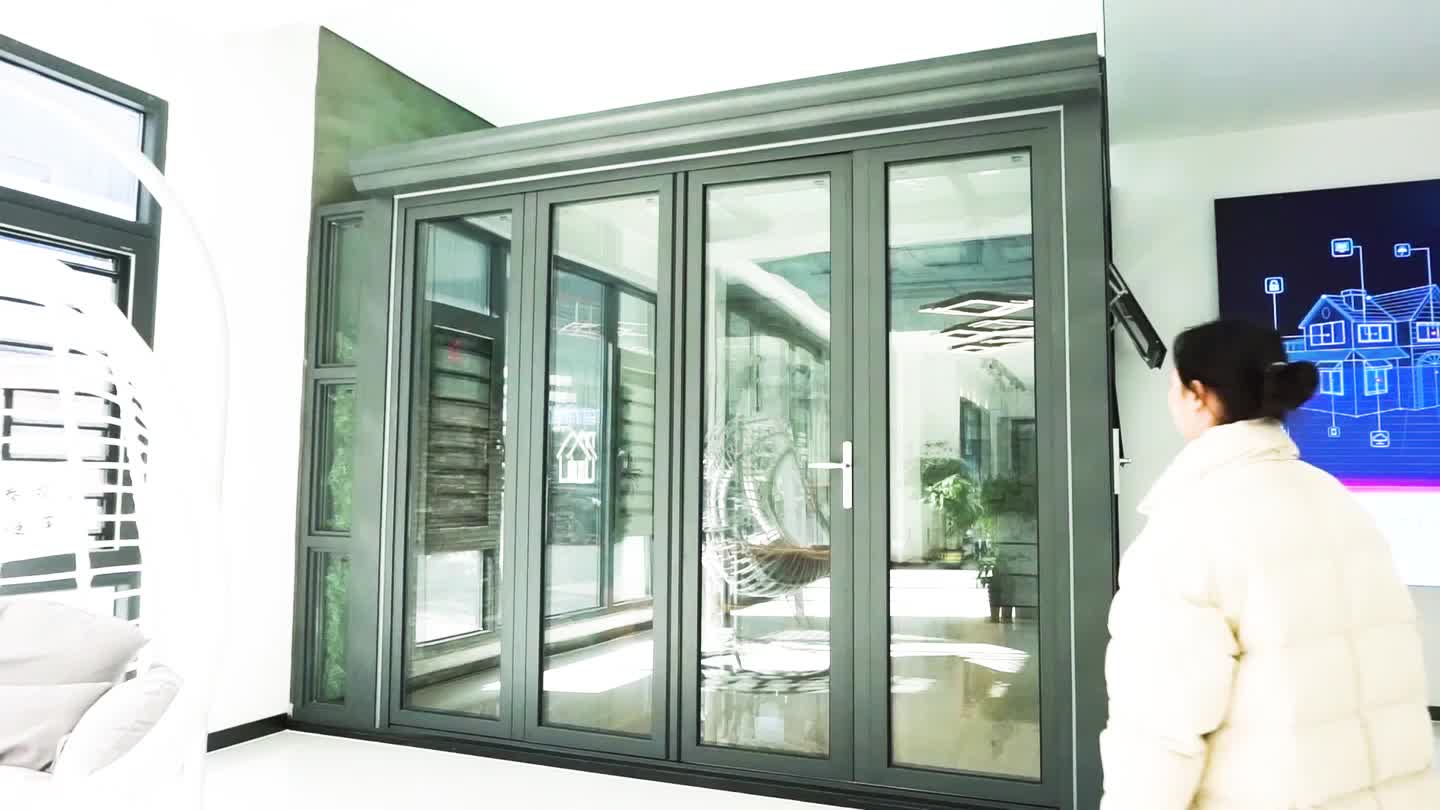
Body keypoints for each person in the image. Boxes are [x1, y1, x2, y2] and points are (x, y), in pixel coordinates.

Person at [1101, 319, 1440, 809]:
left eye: (1174, 385)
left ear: (1197, 395)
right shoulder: (1339, 501)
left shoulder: (1186, 529)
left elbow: (1158, 735)